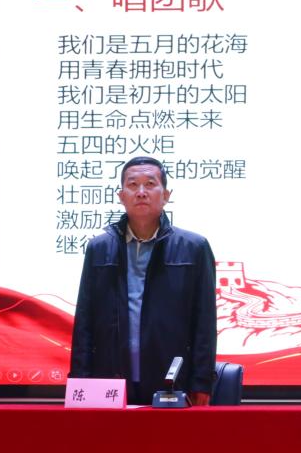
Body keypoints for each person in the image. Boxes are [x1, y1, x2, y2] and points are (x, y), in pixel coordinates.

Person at [69, 156, 216, 405]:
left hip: (171, 382)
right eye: (132, 184)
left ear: (166, 195)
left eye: (150, 184)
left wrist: (201, 383)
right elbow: (85, 320)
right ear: (121, 196)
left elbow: (205, 323)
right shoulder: (99, 248)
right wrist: (79, 381)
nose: (141, 192)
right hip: (110, 382)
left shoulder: (194, 248)